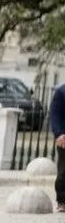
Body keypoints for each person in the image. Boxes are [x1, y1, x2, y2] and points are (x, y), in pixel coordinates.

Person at [50, 81, 65, 212]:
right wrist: (59, 133)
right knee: (63, 171)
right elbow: (55, 115)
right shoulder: (61, 92)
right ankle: (62, 200)